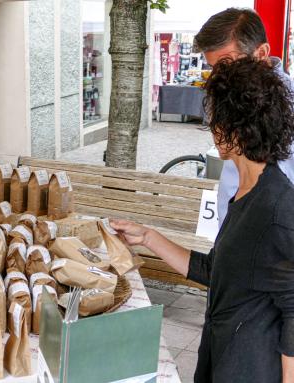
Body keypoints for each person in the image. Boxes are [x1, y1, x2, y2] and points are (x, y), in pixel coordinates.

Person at [111, 57, 294, 382]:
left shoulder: (278, 207)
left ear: (234, 130)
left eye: (216, 119)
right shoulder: (245, 191)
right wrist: (148, 237)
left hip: (250, 369)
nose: (211, 127)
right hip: (220, 355)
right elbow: (215, 271)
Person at [193, 7, 294, 225]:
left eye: (228, 64)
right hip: (233, 223)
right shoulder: (227, 94)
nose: (220, 76)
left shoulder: (288, 100)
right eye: (213, 68)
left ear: (262, 52)